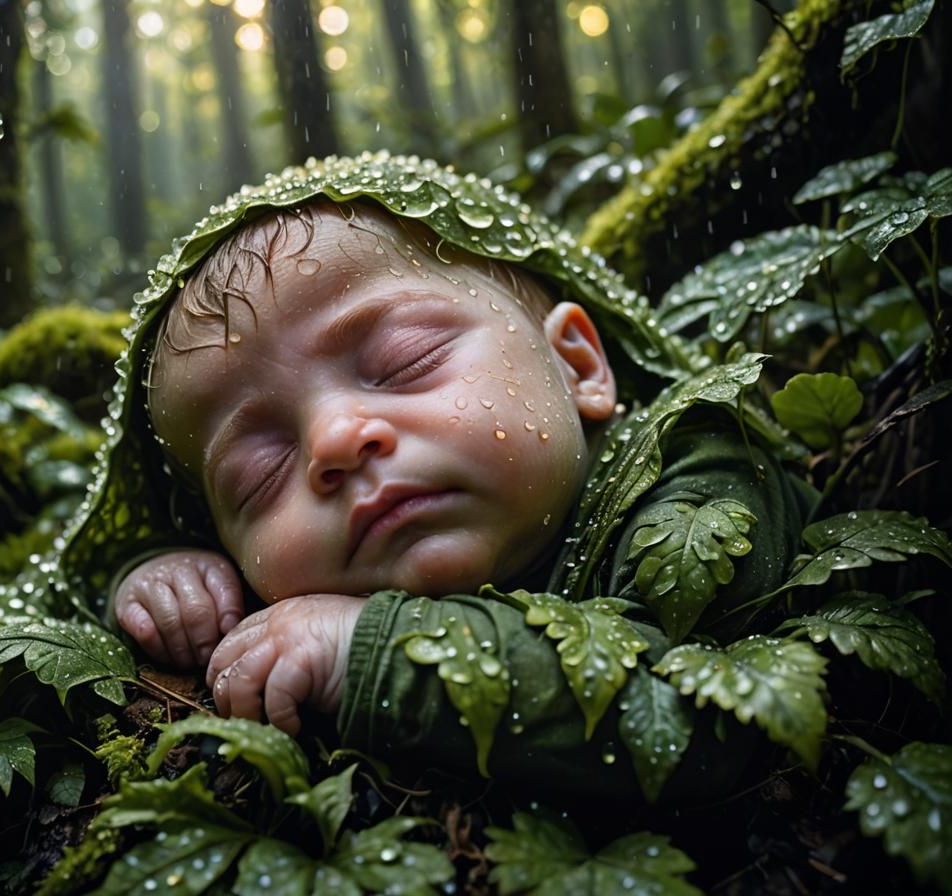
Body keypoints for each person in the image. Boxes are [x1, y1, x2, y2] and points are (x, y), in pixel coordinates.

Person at [61, 152, 814, 796]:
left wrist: (371, 654)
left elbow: (703, 718)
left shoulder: (700, 471)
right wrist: (168, 582)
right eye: (259, 475)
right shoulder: (248, 568)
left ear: (578, 365)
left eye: (405, 362)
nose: (336, 441)